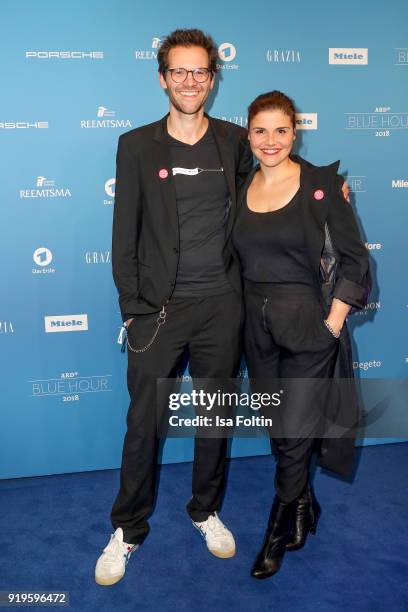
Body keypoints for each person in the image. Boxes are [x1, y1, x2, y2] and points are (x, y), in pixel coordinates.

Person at [94, 29, 253, 586]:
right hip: (158, 311)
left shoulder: (235, 142)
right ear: (162, 78)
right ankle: (127, 528)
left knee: (216, 417)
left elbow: (269, 200)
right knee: (143, 423)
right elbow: (124, 236)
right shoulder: (137, 145)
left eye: (200, 71)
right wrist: (135, 309)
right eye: (179, 72)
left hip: (222, 306)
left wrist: (325, 194)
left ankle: (205, 511)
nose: (190, 82)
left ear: (214, 77)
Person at [231, 91, 370, 579]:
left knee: (293, 431)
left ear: (296, 132)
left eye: (281, 130)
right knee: (278, 425)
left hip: (309, 325)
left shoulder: (321, 185)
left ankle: (277, 526)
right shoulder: (239, 184)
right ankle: (304, 505)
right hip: (255, 326)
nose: (271, 141)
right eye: (260, 131)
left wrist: (332, 323)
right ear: (248, 135)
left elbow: (355, 260)